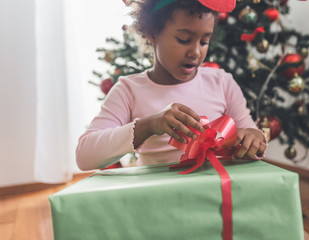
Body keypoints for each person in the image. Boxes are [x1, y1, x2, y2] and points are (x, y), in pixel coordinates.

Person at [76, 0, 268, 171]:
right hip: (160, 203)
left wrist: (252, 139)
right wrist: (150, 125)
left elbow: (251, 139)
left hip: (215, 199)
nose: (195, 52)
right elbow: (85, 156)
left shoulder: (222, 83)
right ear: (152, 32)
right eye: (183, 39)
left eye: (204, 41)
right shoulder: (128, 90)